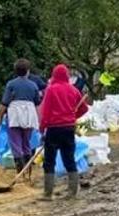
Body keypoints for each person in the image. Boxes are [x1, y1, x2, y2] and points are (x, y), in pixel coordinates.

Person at [38, 63, 88, 201]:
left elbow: (46, 111)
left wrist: (42, 127)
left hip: (54, 129)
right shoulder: (73, 90)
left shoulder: (51, 90)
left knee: (49, 160)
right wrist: (73, 116)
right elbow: (84, 108)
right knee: (69, 159)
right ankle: (73, 192)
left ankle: (48, 193)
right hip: (69, 128)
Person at [0, 58, 41, 174]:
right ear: (28, 71)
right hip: (29, 114)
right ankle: (28, 171)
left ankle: (20, 171)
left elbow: (4, 103)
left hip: (14, 114)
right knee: (27, 142)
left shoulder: (11, 84)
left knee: (15, 142)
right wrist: (39, 120)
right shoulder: (33, 85)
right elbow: (37, 104)